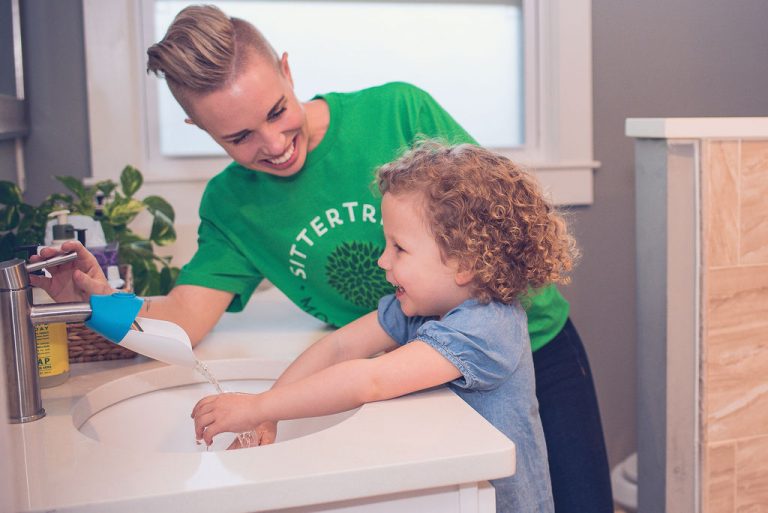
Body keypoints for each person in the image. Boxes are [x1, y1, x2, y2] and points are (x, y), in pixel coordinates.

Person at [32, 5, 613, 512]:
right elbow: (186, 317)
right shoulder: (234, 205)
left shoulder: (398, 113)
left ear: (288, 70)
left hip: (534, 344)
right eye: (239, 138)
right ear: (199, 128)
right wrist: (96, 302)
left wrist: (263, 404)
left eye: (277, 111)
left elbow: (492, 215)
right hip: (415, 361)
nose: (274, 143)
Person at [194, 141, 574, 512]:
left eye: (399, 249)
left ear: (464, 264)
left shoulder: (488, 327)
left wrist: (259, 403)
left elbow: (370, 379)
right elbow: (339, 348)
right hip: (450, 489)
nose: (381, 261)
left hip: (497, 502)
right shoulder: (419, 307)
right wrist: (267, 414)